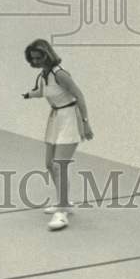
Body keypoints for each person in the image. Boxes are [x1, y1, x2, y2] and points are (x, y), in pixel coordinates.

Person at [22, 38, 93, 231]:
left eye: (39, 57)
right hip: (55, 119)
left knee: (59, 165)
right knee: (49, 164)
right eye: (33, 59)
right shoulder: (43, 75)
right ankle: (65, 202)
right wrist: (27, 95)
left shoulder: (60, 74)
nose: (35, 62)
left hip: (69, 118)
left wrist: (86, 123)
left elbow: (79, 95)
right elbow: (42, 91)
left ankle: (62, 213)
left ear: (47, 54)